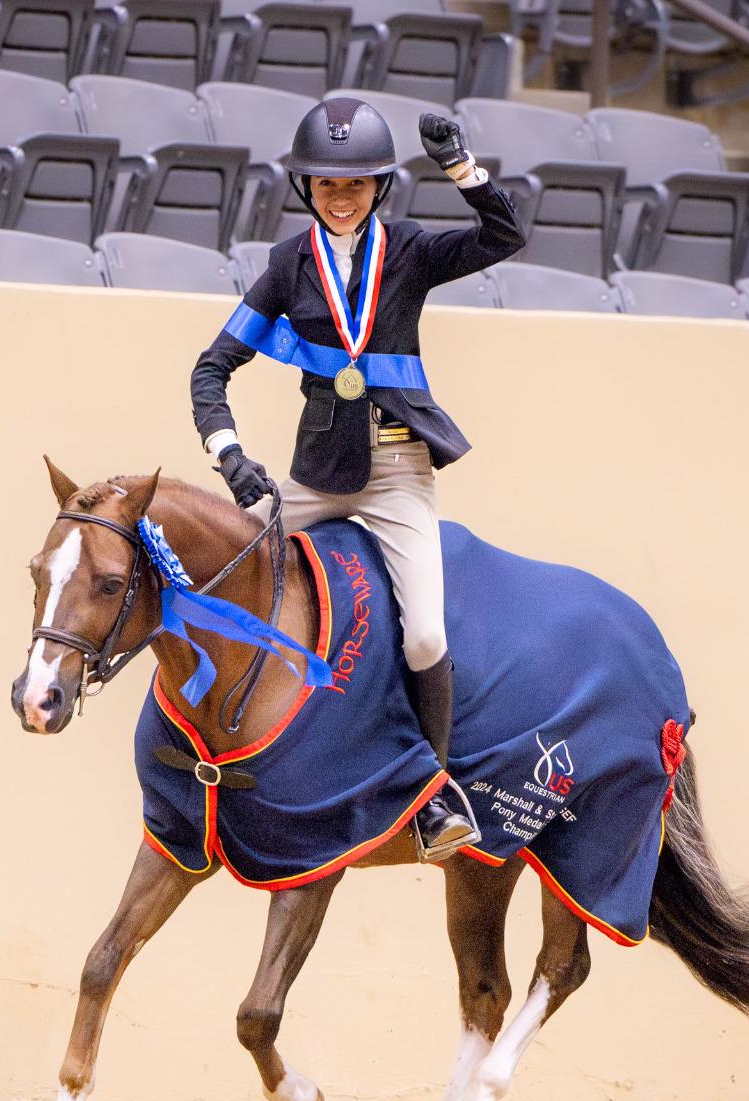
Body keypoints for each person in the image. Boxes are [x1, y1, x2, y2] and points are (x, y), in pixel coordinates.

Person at [188, 98, 526, 860]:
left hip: (399, 468)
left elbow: (506, 236)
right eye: (328, 186)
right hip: (315, 475)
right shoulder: (287, 266)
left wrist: (461, 167)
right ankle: (207, 762)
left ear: (380, 188)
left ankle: (432, 796)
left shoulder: (408, 250)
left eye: (358, 185)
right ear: (308, 188)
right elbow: (212, 369)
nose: (342, 199)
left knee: (426, 633)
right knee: (225, 589)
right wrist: (229, 454)